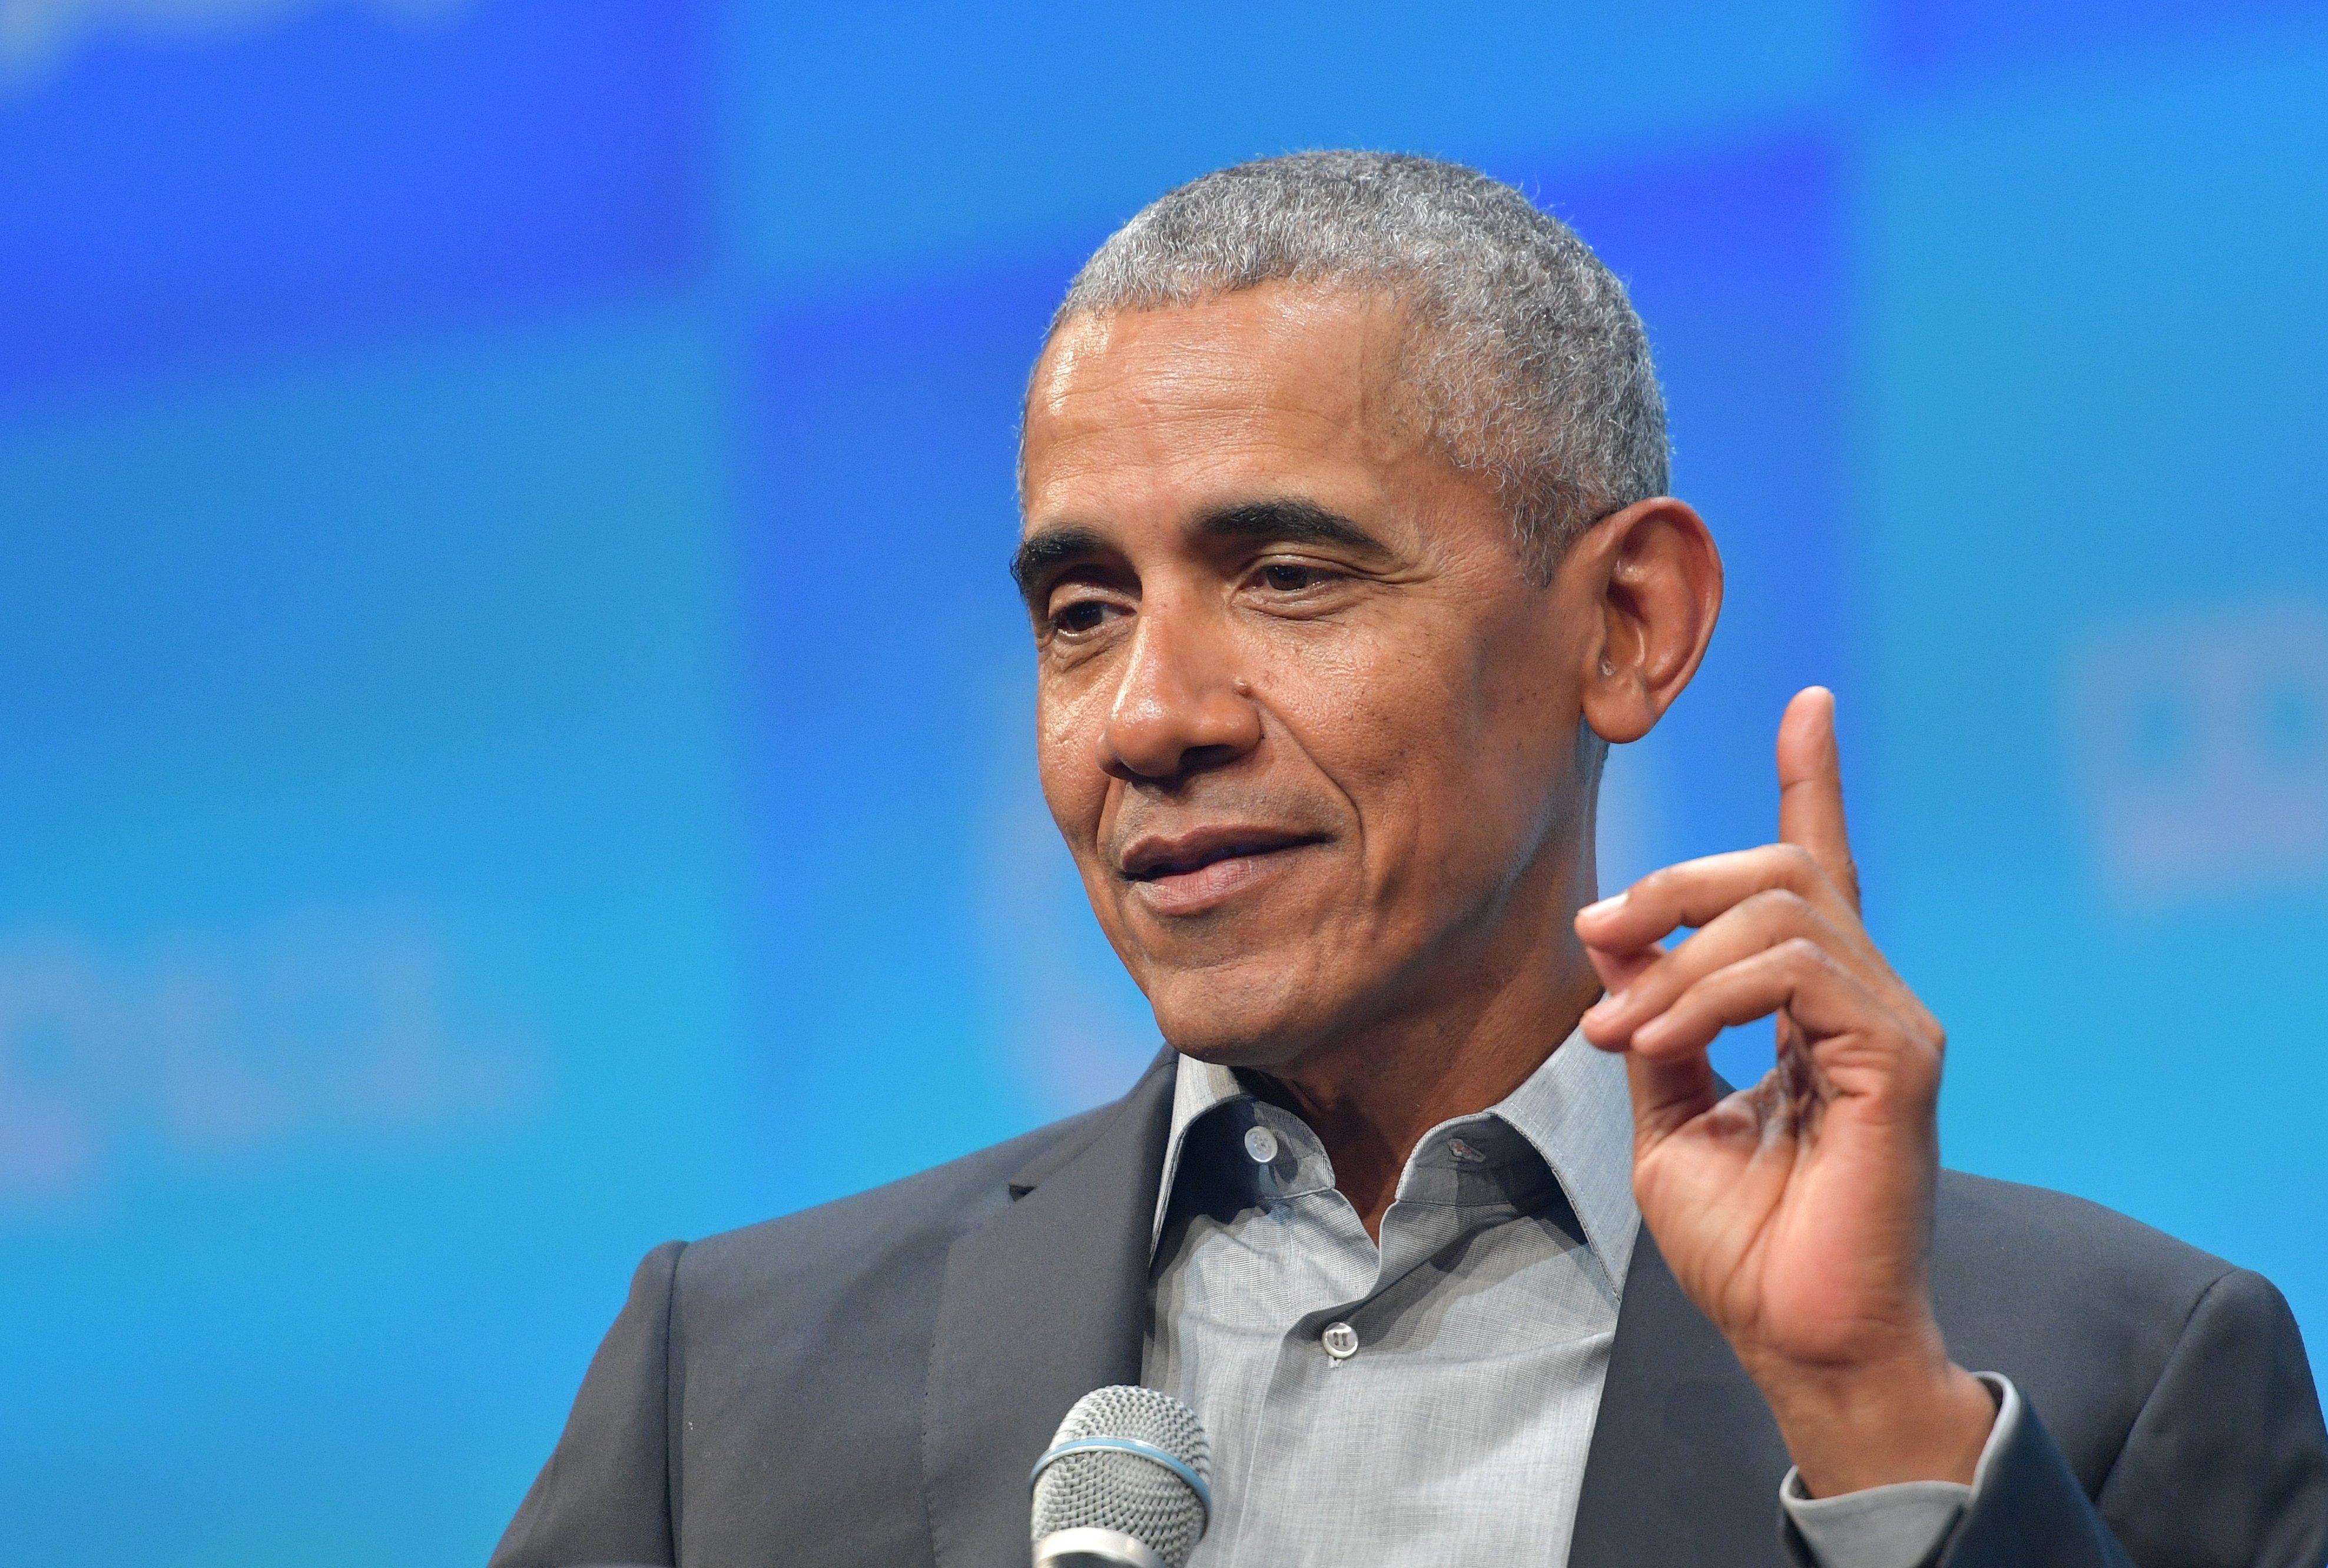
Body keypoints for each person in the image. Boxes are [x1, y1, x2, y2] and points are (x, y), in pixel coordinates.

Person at [489, 152, 2328, 1568]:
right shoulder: (723, 1392)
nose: (1148, 714)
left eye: (1288, 577)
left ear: (1625, 626)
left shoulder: (2095, 1381)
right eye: (1080, 608)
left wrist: (1867, 1421)